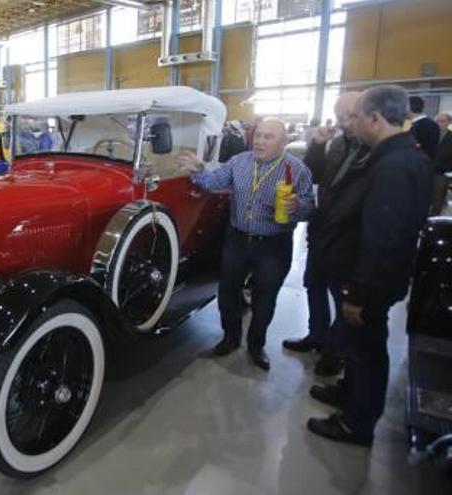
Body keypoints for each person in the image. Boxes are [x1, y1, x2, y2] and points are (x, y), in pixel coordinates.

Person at [306, 86, 433, 447]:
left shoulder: (393, 166)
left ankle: (356, 424)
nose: (353, 124)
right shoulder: (401, 156)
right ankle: (350, 395)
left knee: (367, 352)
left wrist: (357, 293)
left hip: (369, 283)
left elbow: (382, 238)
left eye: (358, 117)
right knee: (359, 350)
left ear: (375, 119)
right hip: (367, 274)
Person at [177, 119, 315, 371]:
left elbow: (309, 207)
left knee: (265, 299)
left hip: (273, 244)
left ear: (284, 142)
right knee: (228, 292)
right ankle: (230, 337)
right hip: (237, 240)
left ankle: (256, 345)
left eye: (269, 137)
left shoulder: (297, 170)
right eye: (258, 135)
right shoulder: (239, 162)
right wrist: (199, 170)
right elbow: (214, 182)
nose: (260, 141)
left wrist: (297, 206)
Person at [282, 92, 369, 377]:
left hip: (349, 240)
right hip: (322, 231)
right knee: (313, 284)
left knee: (341, 296)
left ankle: (336, 351)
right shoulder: (339, 144)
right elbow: (313, 174)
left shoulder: (375, 150)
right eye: (341, 116)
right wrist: (318, 144)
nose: (345, 122)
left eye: (351, 117)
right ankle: (317, 335)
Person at [431, 112, 452, 215]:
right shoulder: (431, 134)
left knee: (438, 198)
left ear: (449, 122)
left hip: (441, 172)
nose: (439, 123)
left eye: (442, 121)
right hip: (428, 169)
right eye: (437, 121)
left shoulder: (451, 137)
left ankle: (435, 217)